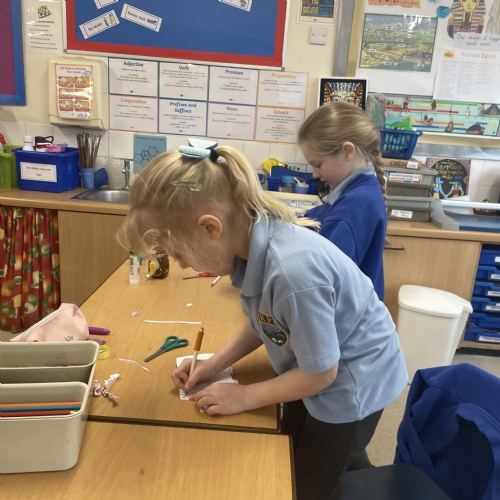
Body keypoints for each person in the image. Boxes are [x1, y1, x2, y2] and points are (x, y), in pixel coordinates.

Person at [117, 140, 408, 500]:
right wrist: (214, 364)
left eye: (180, 253)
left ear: (210, 228)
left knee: (308, 485)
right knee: (295, 443)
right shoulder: (249, 245)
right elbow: (266, 320)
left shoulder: (291, 274)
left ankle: (350, 469)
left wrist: (244, 397)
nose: (182, 264)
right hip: (317, 363)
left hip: (353, 381)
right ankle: (349, 463)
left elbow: (322, 374)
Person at [297, 102, 387, 300]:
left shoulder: (355, 204)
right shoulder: (360, 190)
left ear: (347, 151)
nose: (315, 174)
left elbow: (321, 277)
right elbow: (325, 215)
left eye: (318, 164)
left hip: (350, 318)